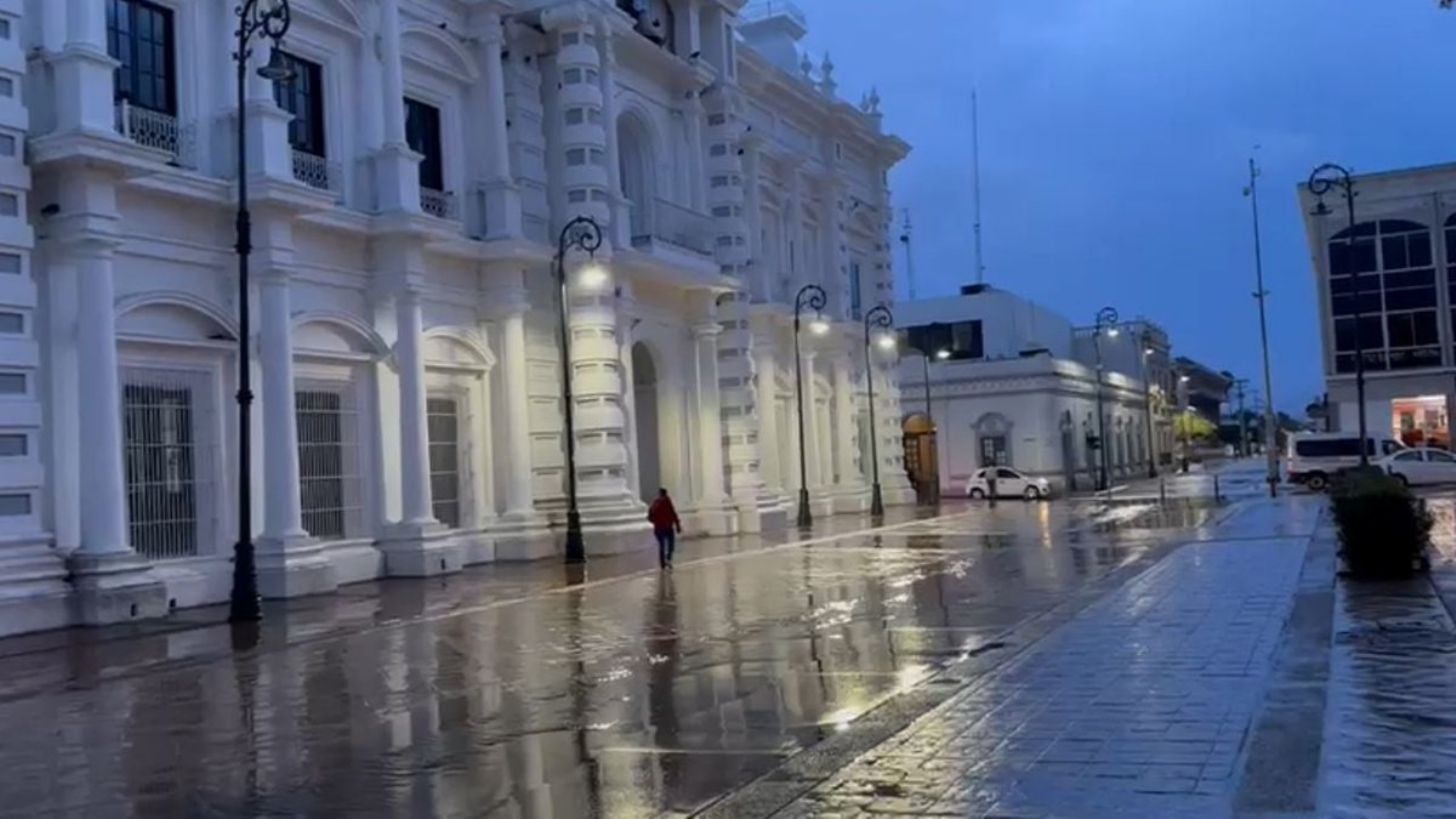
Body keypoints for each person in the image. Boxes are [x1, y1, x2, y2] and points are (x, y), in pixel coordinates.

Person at [647, 488, 682, 568]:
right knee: (670, 545)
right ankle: (667, 559)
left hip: (659, 528)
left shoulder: (656, 503)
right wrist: (677, 526)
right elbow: (673, 514)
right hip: (667, 527)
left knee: (662, 546)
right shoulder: (667, 502)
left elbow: (650, 516)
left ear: (659, 494)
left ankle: (663, 563)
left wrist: (655, 522)